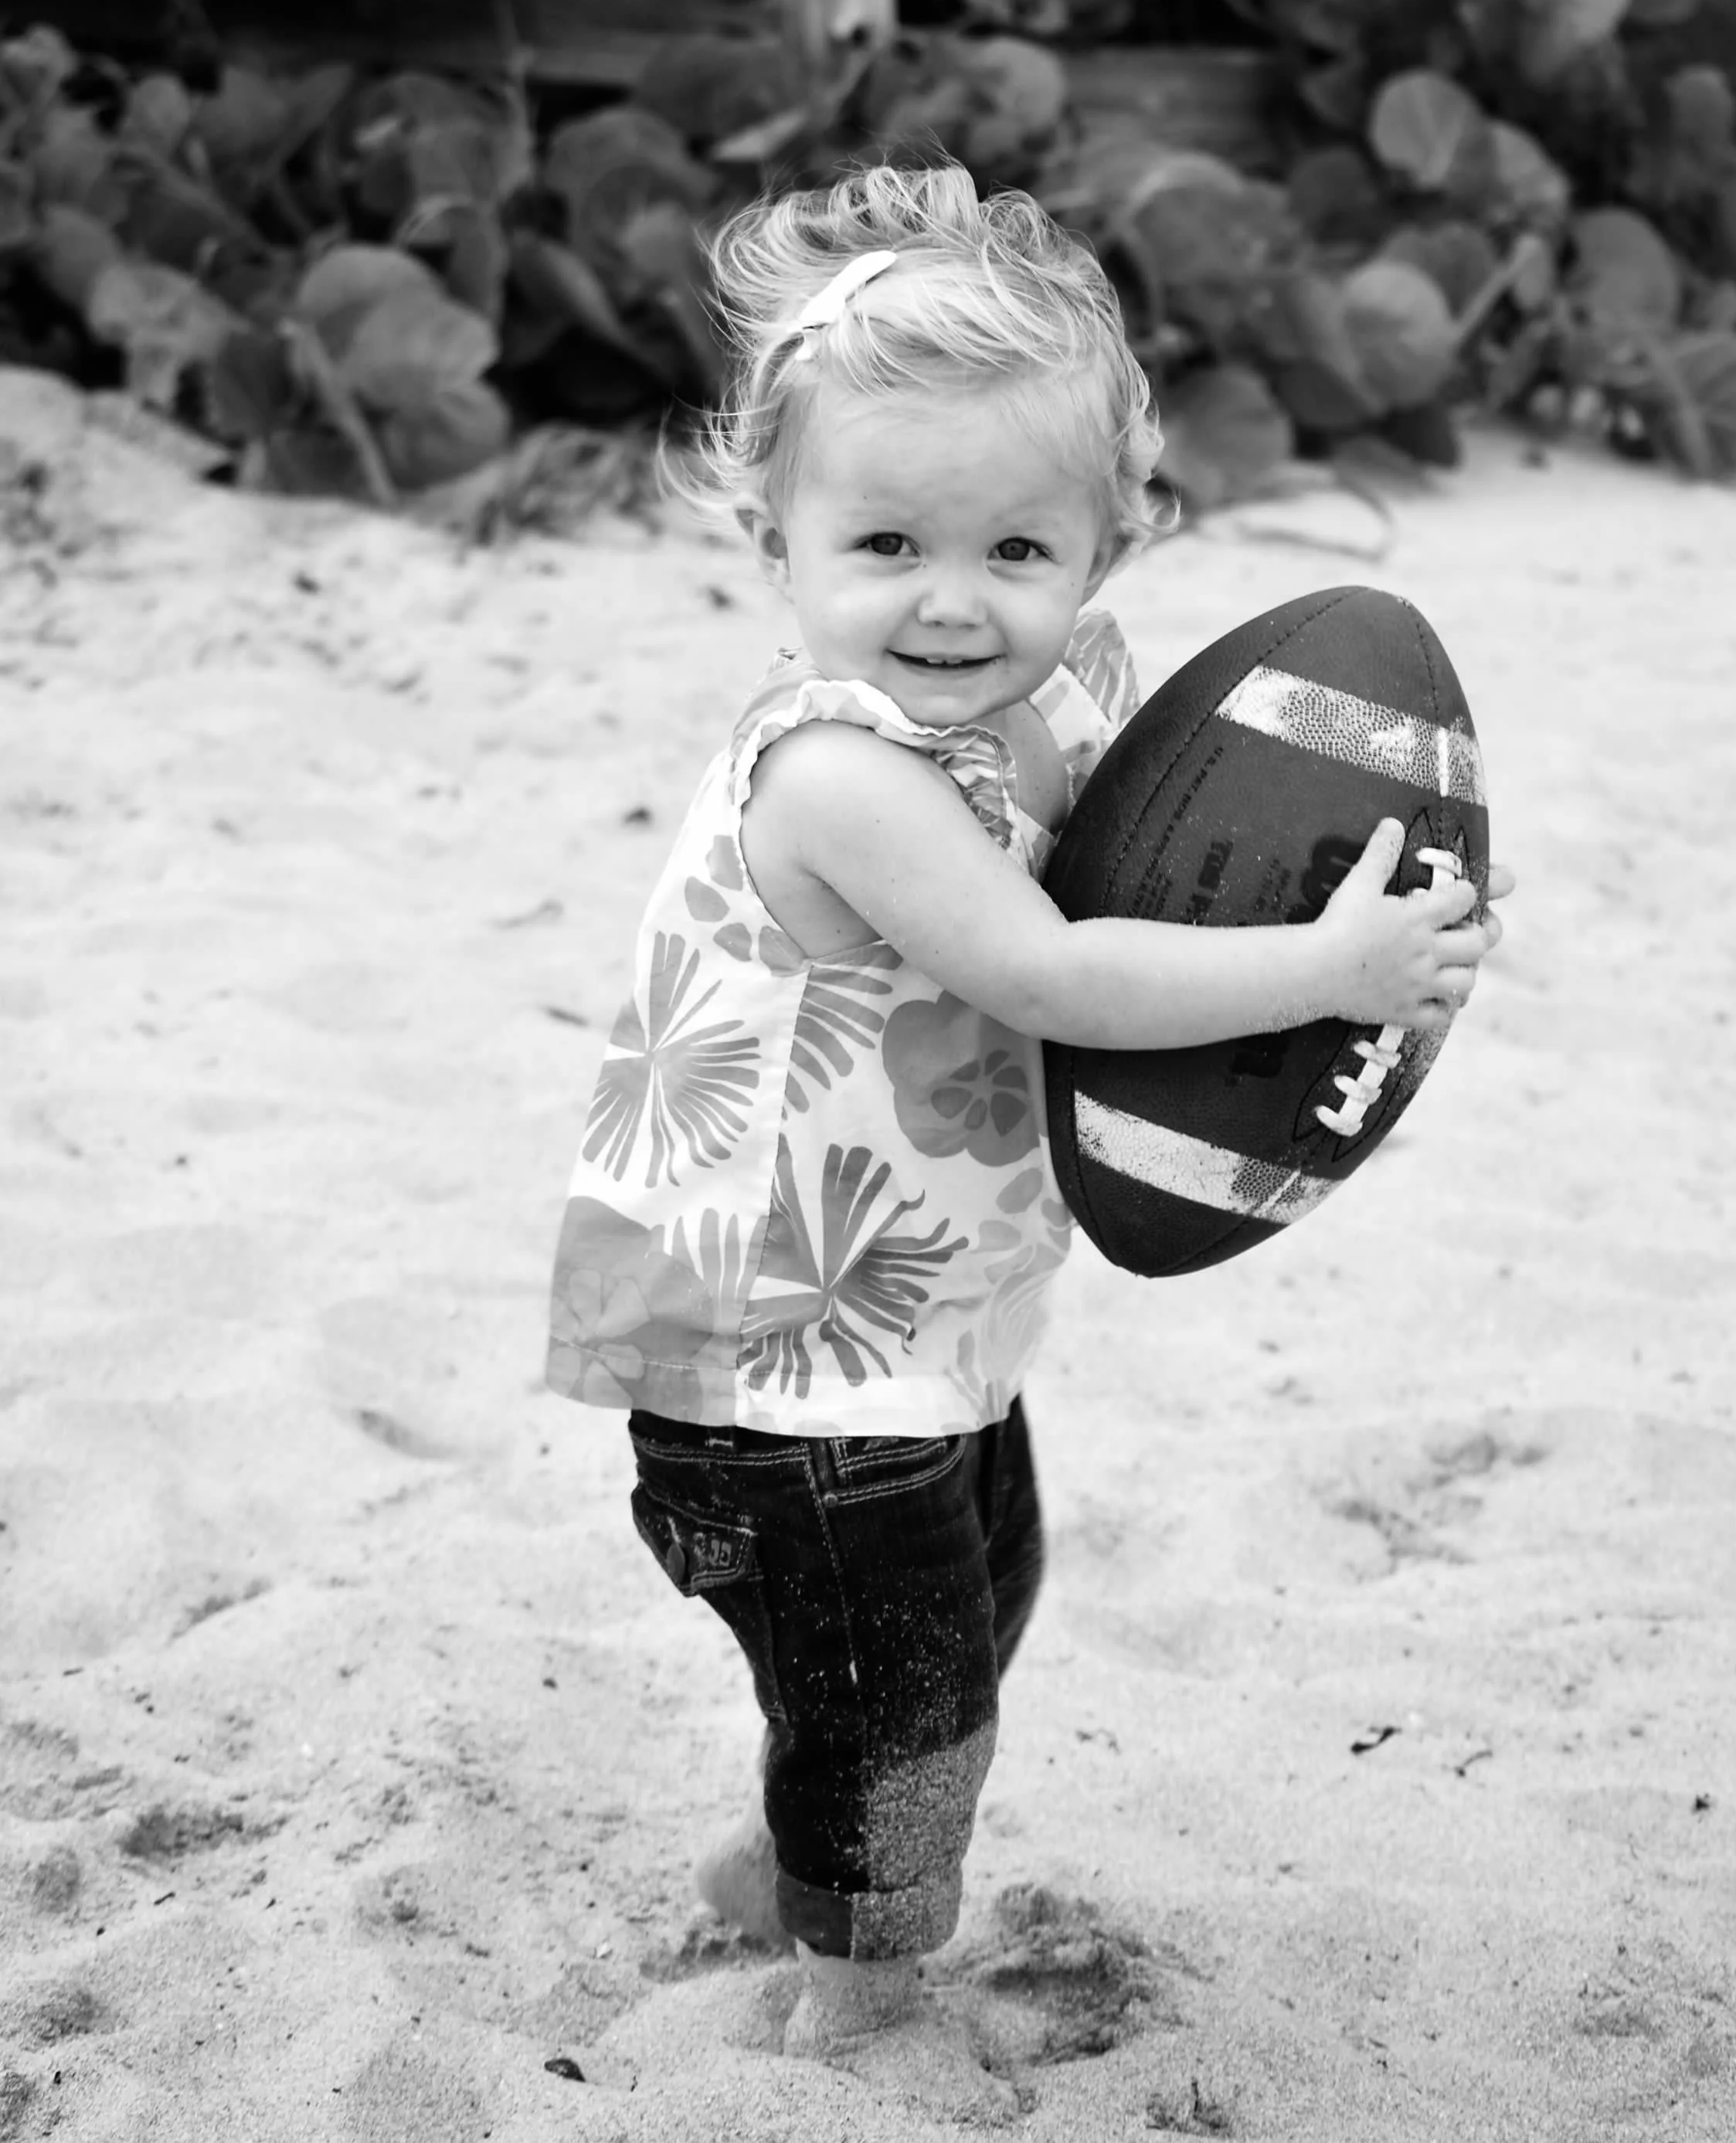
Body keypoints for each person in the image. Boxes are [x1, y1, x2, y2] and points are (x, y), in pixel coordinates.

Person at [545, 161, 1506, 2117]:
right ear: (774, 535)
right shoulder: (839, 771)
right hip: (772, 1364)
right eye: (883, 538)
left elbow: (1195, 863)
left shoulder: (1063, 691)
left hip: (917, 1328)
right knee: (905, 1696)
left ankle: (790, 1869)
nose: (949, 597)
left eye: (1014, 546)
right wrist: (1328, 956)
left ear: (1115, 535)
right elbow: (1055, 969)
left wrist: (1382, 950)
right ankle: (861, 2006)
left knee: (969, 1616)